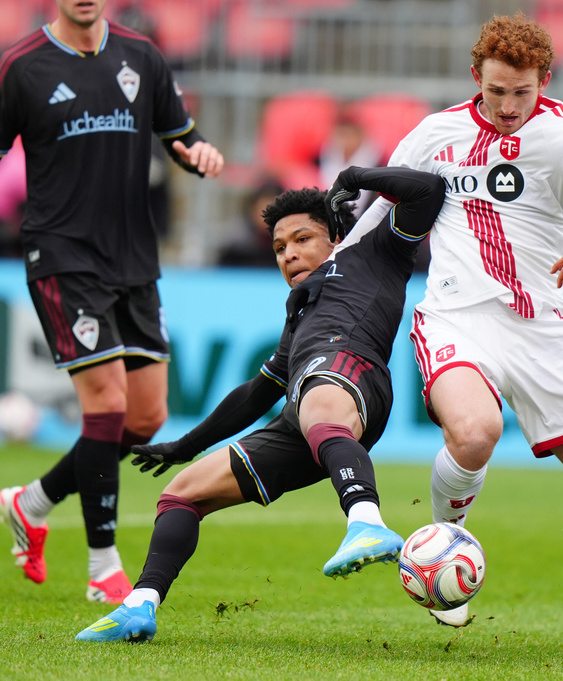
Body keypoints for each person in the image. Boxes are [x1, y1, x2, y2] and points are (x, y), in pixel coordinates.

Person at [343, 13, 563, 645]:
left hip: (544, 329)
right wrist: (332, 268)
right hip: (456, 316)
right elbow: (377, 208)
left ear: (543, 81)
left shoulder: (561, 132)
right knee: (475, 432)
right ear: (477, 78)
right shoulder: (436, 134)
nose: (508, 105)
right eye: (496, 91)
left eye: (522, 92)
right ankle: (439, 550)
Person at [75, 165, 447, 642]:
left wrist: (356, 176)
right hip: (304, 409)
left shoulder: (373, 251)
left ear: (334, 235)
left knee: (317, 403)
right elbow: (260, 390)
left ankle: (367, 522)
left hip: (351, 373)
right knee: (183, 494)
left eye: (302, 239)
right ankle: (140, 605)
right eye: (279, 248)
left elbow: (429, 189)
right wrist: (186, 446)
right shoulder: (299, 311)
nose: (289, 254)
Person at [0, 0, 224, 603]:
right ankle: (103, 569)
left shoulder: (141, 56)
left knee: (145, 418)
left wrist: (197, 152)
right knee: (105, 402)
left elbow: (180, 133)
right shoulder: (20, 66)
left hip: (134, 260)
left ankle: (32, 501)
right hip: (63, 255)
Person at [216, 177, 285, 268]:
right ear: (252, 210)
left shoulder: (289, 249)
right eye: (262, 211)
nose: (267, 219)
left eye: (273, 212)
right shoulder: (236, 246)